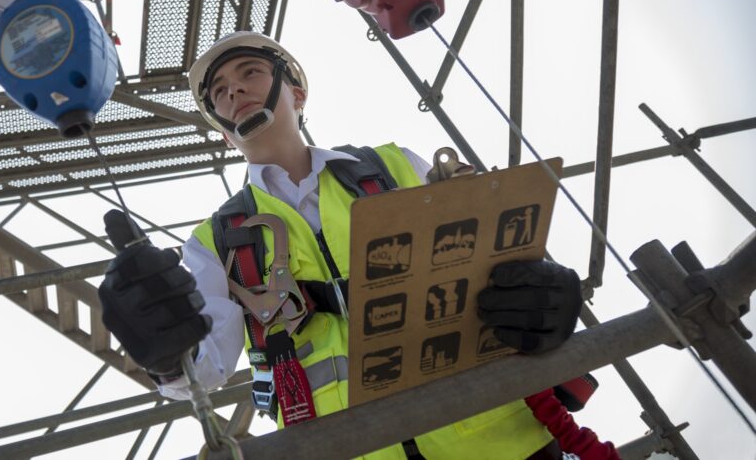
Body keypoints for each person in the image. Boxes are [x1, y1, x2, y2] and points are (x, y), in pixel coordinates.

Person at [100, 32, 612, 460]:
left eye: (250, 73)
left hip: (495, 437)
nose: (233, 91)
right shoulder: (215, 243)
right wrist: (162, 349)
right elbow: (201, 369)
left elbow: (491, 260)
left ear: (296, 93)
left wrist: (545, 290)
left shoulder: (394, 167)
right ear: (222, 128)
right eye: (219, 91)